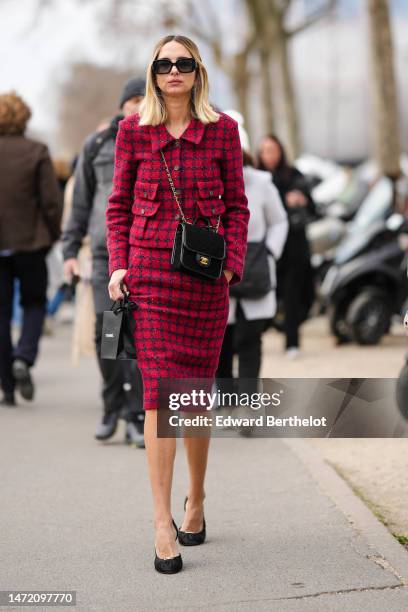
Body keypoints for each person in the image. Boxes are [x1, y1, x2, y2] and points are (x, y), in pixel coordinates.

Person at [106, 35, 249, 574]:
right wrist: (118, 264)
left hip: (206, 284)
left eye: (182, 63)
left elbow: (237, 205)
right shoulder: (132, 131)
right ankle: (162, 520)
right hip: (151, 279)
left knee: (193, 399)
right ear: (153, 72)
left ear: (196, 72)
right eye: (164, 64)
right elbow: (117, 205)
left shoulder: (223, 132)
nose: (173, 71)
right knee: (160, 398)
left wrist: (232, 263)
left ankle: (198, 499)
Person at [62, 78, 146, 448]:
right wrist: (68, 251)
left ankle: (136, 414)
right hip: (104, 256)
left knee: (137, 337)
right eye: (132, 99)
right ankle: (112, 406)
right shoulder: (96, 145)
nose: (138, 105)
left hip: (145, 254)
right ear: (122, 105)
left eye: (144, 99)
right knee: (108, 335)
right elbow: (81, 201)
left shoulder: (157, 141)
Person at [216, 112, 288, 419]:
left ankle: (247, 403)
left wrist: (269, 251)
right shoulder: (208, 180)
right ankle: (227, 398)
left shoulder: (261, 183)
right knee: (220, 342)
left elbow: (279, 221)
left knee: (249, 340)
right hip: (219, 273)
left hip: (255, 271)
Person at [0, 91, 62, 406]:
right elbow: (51, 201)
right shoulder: (36, 151)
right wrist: (54, 234)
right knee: (34, 303)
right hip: (31, 243)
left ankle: (7, 385)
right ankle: (24, 356)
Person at [258, 134, 316, 359]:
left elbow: (314, 209)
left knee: (294, 295)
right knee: (265, 293)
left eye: (273, 150)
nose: (269, 155)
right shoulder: (257, 178)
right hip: (265, 247)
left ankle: (292, 342)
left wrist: (302, 200)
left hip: (293, 246)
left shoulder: (294, 175)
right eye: (265, 150)